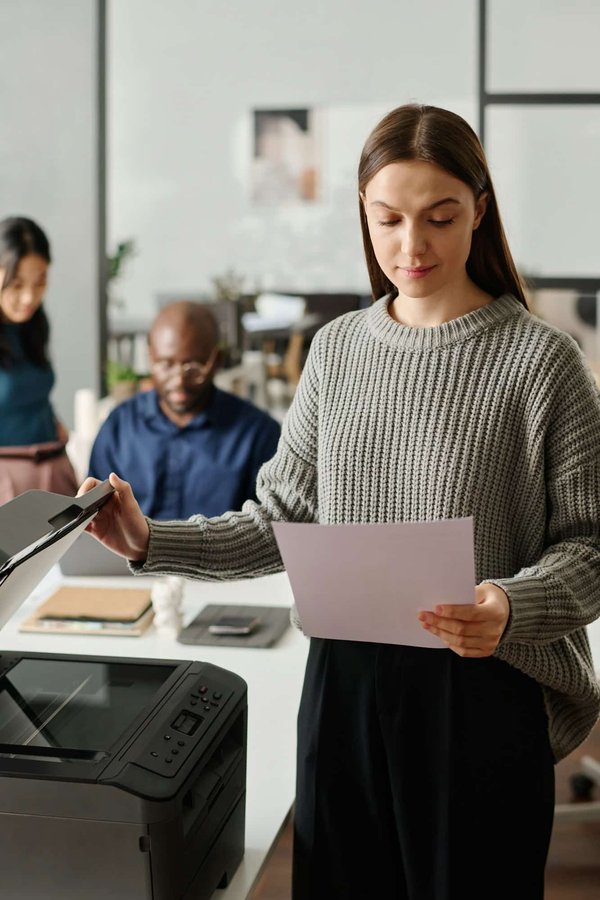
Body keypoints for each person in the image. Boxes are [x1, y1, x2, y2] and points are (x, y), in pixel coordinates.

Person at [79, 104, 600, 899]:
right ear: (364, 212)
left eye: (440, 217)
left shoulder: (542, 361)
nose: (411, 246)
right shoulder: (338, 350)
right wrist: (154, 540)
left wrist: (508, 602)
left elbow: (590, 549)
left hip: (481, 694)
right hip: (346, 689)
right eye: (389, 219)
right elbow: (277, 522)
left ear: (481, 210)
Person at [88, 301, 281, 518]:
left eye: (193, 367)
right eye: (166, 365)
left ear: (216, 361)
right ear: (150, 357)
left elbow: (269, 525)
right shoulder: (119, 427)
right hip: (127, 553)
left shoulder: (258, 434)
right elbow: (95, 515)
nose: (179, 381)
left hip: (223, 552)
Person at [0, 216, 77, 503]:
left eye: (40, 281)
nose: (29, 297)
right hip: (7, 480)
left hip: (53, 465)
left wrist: (53, 422)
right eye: (17, 284)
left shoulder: (33, 324)